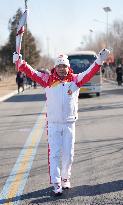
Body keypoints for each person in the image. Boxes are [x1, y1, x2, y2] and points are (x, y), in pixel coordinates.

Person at [13, 49, 110, 196]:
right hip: (53, 124)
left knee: (69, 155)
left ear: (68, 67)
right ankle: (56, 182)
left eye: (64, 66)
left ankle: (65, 178)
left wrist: (98, 61)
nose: (61, 68)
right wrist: (20, 62)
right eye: (59, 66)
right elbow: (31, 72)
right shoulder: (47, 80)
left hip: (69, 124)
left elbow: (90, 72)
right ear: (55, 67)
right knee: (54, 154)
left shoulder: (76, 80)